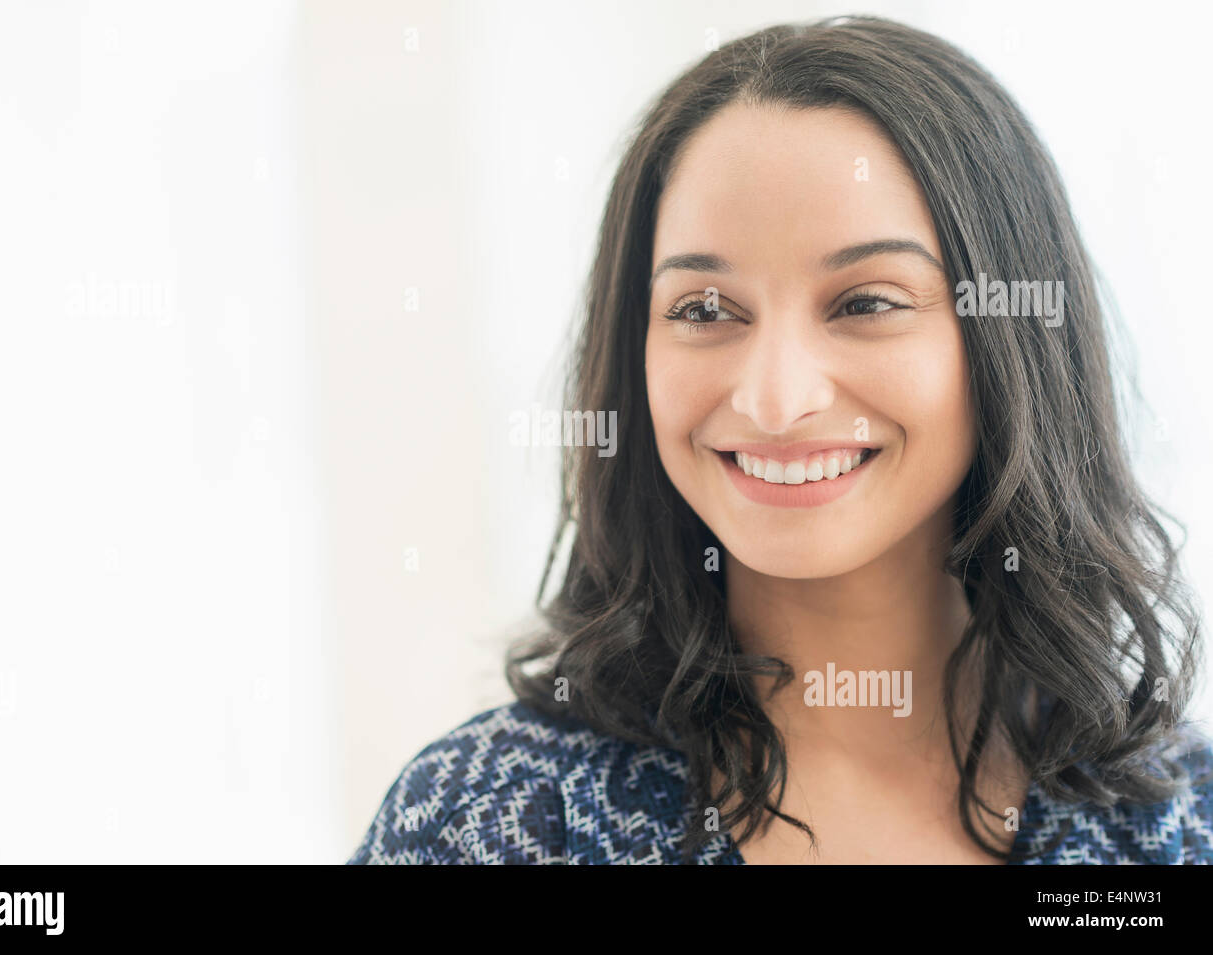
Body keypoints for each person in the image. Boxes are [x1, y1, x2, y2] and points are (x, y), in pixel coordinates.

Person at [349, 15, 1212, 864]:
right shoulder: (489, 823)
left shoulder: (1181, 826)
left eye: (866, 302)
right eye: (704, 310)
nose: (774, 400)